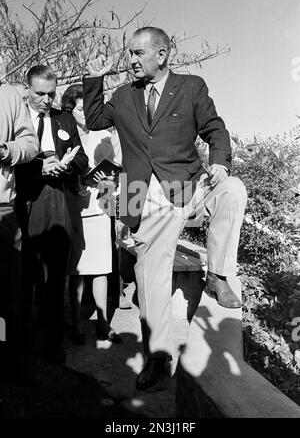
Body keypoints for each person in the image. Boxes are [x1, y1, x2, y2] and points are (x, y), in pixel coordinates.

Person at [83, 26, 247, 390]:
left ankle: (218, 274)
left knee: (233, 190)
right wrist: (95, 76)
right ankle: (157, 356)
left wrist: (219, 161)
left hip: (187, 186)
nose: (131, 61)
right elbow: (95, 120)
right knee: (149, 276)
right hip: (144, 195)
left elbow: (215, 129)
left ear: (162, 54)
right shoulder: (124, 95)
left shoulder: (191, 86)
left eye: (137, 53)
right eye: (129, 54)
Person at [16, 66, 88, 364]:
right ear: (26, 89)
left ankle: (53, 344)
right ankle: (18, 344)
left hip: (58, 200)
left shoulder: (64, 119)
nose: (46, 100)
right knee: (22, 279)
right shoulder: (14, 120)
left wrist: (66, 165)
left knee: (55, 279)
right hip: (24, 202)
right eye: (40, 94)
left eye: (51, 94)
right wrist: (39, 168)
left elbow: (82, 158)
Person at [61, 83, 122, 345]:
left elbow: (116, 178)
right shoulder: (64, 134)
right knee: (75, 269)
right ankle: (74, 324)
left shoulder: (105, 137)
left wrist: (107, 182)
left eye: (88, 108)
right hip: (74, 207)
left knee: (100, 269)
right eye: (79, 108)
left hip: (98, 209)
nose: (84, 114)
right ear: (70, 110)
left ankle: (103, 322)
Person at [0, 82, 39, 370]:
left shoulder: (8, 94)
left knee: (10, 292)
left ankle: (10, 358)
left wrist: (7, 150)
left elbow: (30, 144)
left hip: (3, 210)